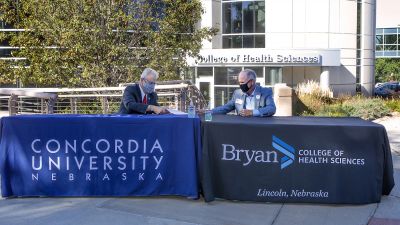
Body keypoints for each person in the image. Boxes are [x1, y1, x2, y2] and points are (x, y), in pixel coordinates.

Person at [212, 69, 276, 117]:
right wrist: (208, 112)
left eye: (242, 82)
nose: (240, 85)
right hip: (242, 128)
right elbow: (225, 108)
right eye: (239, 82)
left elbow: (271, 109)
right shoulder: (237, 93)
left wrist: (252, 112)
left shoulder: (265, 92)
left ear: (252, 82)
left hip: (259, 127)